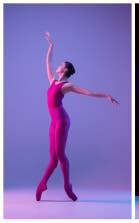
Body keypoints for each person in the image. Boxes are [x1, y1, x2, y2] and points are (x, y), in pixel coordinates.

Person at [36, 32, 120, 201]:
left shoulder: (67, 85)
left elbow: (88, 92)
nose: (57, 66)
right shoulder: (52, 81)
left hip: (62, 121)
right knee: (52, 157)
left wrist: (106, 95)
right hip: (54, 122)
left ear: (65, 70)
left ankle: (67, 186)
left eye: (61, 64)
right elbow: (47, 62)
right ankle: (42, 184)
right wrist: (51, 46)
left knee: (60, 154)